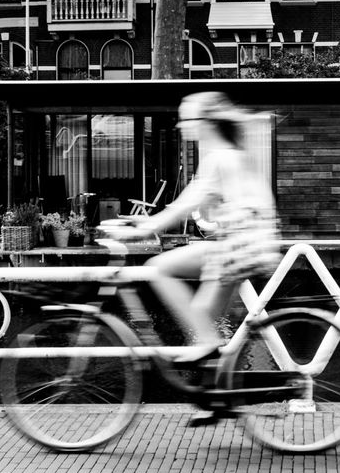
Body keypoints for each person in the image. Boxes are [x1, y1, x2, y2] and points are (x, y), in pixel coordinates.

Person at [109, 91, 281, 370]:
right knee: (202, 325)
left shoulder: (220, 158)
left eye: (186, 118)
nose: (180, 124)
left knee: (159, 268)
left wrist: (139, 230)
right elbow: (193, 203)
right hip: (250, 248)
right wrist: (144, 223)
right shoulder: (229, 155)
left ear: (206, 122)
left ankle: (210, 355)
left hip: (238, 249)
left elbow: (184, 205)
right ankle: (217, 397)